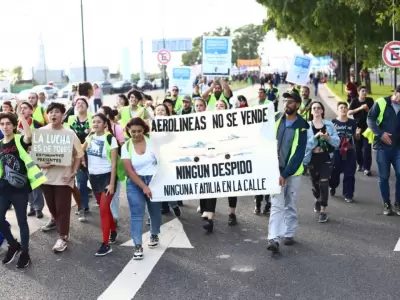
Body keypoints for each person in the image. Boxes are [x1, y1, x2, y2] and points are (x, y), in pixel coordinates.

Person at [0, 112, 47, 268]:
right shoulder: (0, 143)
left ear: (13, 126)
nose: (5, 126)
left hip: (19, 189)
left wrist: (21, 115)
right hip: (4, 188)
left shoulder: (19, 140)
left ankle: (25, 253)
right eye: (2, 124)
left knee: (22, 221)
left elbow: (28, 135)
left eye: (8, 123)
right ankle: (13, 245)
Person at [267, 91, 309, 253]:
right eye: (285, 101)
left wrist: (285, 174)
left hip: (293, 172)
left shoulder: (302, 126)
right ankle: (273, 238)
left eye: (290, 101)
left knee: (290, 203)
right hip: (274, 169)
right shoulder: (277, 118)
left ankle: (289, 232)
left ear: (297, 105)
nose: (286, 104)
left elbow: (298, 153)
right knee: (277, 205)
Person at [38, 103, 84, 252]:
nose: (53, 114)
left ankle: (62, 237)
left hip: (64, 178)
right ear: (47, 115)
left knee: (62, 208)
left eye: (57, 112)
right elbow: (37, 157)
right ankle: (62, 230)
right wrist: (42, 164)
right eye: (50, 112)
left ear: (63, 115)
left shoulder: (69, 133)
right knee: (53, 208)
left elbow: (79, 154)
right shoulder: (41, 132)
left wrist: (74, 171)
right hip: (46, 178)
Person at [121, 118, 162, 260]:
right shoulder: (126, 147)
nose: (137, 134)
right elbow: (129, 171)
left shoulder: (153, 142)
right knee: (136, 214)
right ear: (129, 132)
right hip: (135, 182)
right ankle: (137, 245)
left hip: (154, 180)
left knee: (155, 211)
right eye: (133, 132)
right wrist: (144, 186)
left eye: (139, 131)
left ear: (144, 130)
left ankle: (154, 233)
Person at [83, 113, 118, 256]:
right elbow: (80, 150)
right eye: (93, 122)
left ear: (105, 124)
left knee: (103, 209)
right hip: (93, 177)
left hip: (107, 177)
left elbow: (115, 163)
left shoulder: (110, 139)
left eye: (98, 122)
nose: (95, 124)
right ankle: (113, 230)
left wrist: (111, 183)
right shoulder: (90, 138)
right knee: (105, 209)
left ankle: (106, 244)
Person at [366, 85, 400, 215]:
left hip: (398, 147)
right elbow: (370, 119)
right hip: (382, 147)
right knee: (384, 176)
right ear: (395, 92)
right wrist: (381, 134)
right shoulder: (381, 102)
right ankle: (386, 203)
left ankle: (398, 203)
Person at [303, 101, 340, 223]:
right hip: (312, 159)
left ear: (322, 110)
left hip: (326, 157)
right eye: (314, 108)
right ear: (311, 111)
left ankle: (323, 211)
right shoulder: (307, 126)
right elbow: (305, 145)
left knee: (324, 183)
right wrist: (315, 137)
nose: (317, 110)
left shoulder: (329, 125)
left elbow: (337, 142)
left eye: (319, 108)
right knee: (315, 185)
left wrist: (328, 138)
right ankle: (318, 199)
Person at [330, 102, 357, 203]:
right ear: (338, 109)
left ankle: (348, 194)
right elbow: (329, 137)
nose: (343, 109)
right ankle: (332, 186)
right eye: (341, 107)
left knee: (349, 173)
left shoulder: (352, 122)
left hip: (349, 151)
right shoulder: (332, 122)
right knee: (334, 173)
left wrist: (357, 135)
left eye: (345, 107)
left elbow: (356, 137)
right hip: (336, 151)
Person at [348, 86, 374, 175]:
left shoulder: (370, 100)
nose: (364, 92)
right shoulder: (354, 101)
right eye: (363, 91)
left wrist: (367, 109)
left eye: (366, 91)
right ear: (358, 92)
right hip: (357, 128)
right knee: (357, 149)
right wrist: (360, 108)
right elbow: (349, 112)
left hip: (368, 128)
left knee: (367, 149)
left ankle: (367, 168)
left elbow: (374, 113)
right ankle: (360, 164)